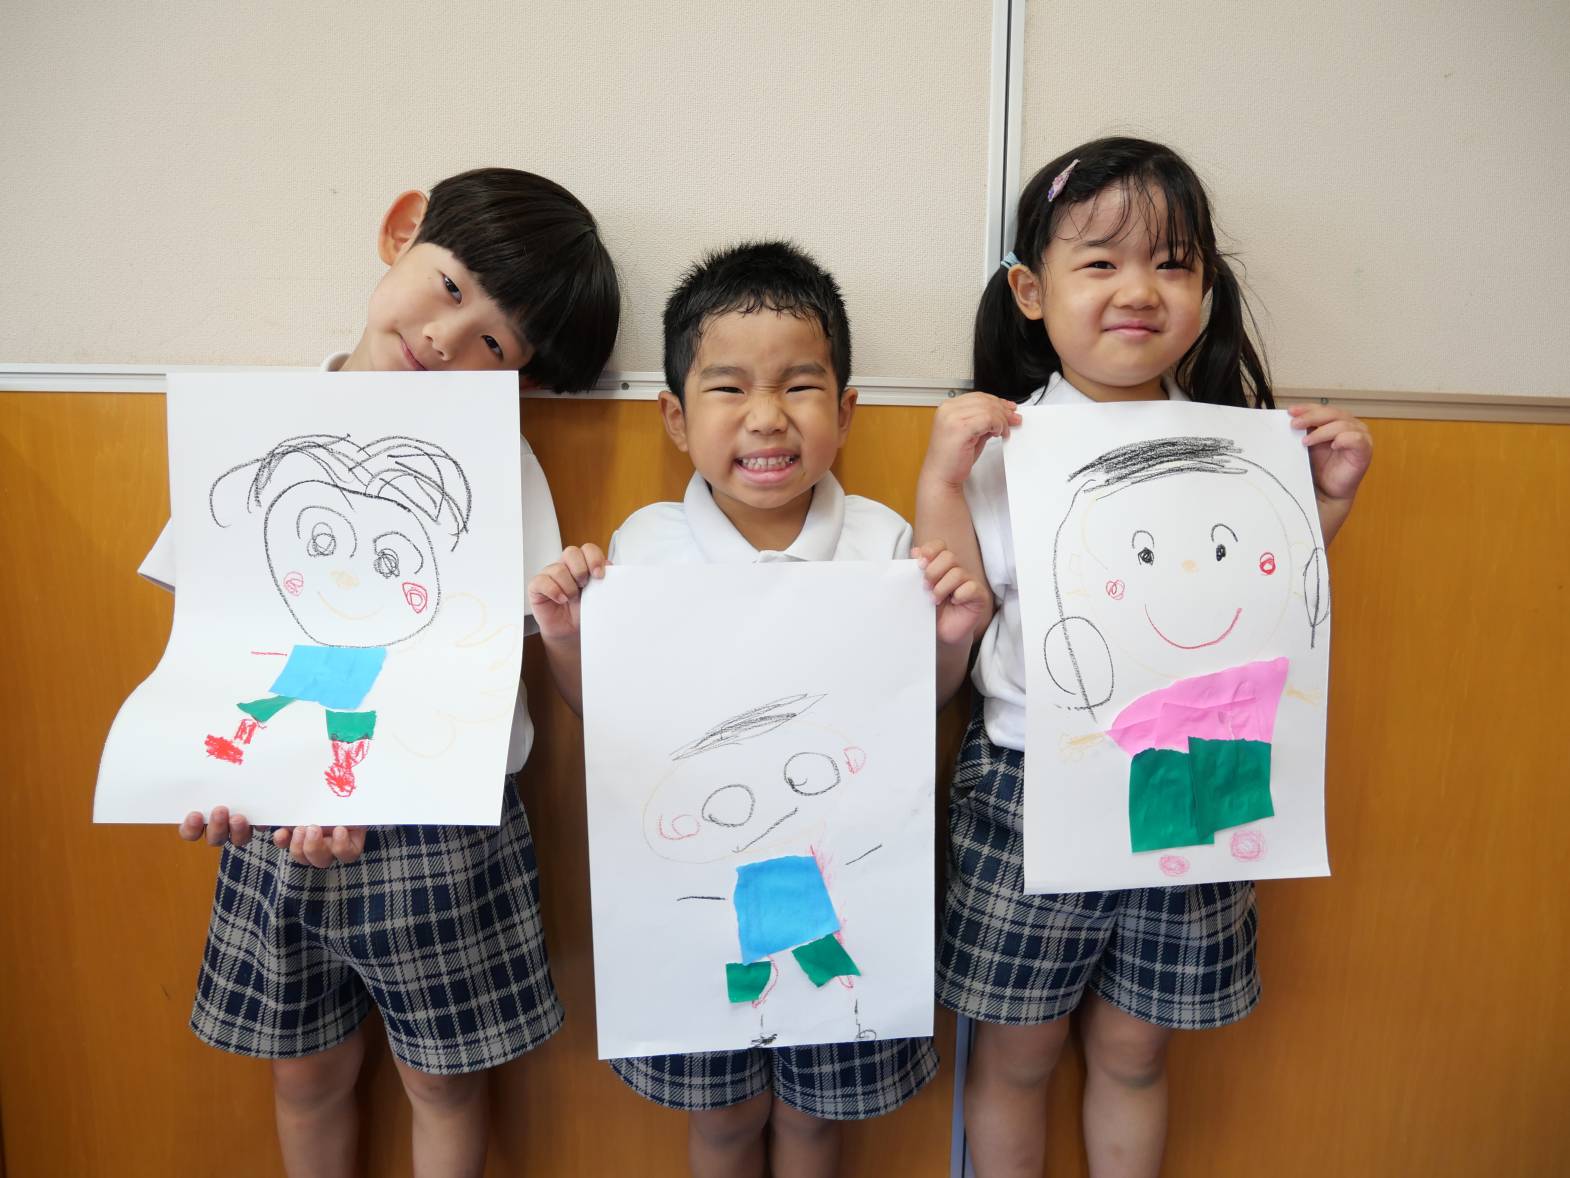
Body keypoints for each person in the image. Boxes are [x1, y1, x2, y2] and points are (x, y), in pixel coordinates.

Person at [916, 137, 1373, 1177]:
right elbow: (954, 607)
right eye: (1100, 262)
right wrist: (942, 477)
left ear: (1205, 292)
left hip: (1201, 769)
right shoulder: (1005, 442)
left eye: (1171, 263)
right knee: (1017, 1053)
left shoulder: (1239, 443)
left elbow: (1255, 604)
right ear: (1031, 292)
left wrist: (1328, 501)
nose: (1138, 289)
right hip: (1032, 779)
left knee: (1135, 1050)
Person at [165, 166, 620, 1178]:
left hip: (438, 826)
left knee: (443, 1082)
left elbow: (485, 669)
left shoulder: (497, 469)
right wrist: (221, 772)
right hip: (273, 817)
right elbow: (211, 639)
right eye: (451, 286)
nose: (449, 338)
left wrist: (370, 781)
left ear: (521, 379)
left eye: (496, 344)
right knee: (303, 1072)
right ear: (401, 229)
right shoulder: (250, 430)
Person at [529, 240, 983, 1178]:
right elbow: (608, 723)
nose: (767, 417)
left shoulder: (884, 547)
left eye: (801, 386)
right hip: (697, 911)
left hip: (845, 890)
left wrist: (950, 639)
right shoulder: (644, 550)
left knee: (817, 1123)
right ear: (675, 417)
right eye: (728, 388)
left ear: (846, 410)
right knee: (724, 1121)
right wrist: (568, 635)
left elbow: (914, 714)